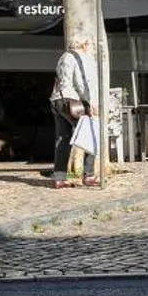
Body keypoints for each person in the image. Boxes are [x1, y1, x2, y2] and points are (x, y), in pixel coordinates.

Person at [48, 34, 99, 188]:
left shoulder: (63, 57)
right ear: (84, 44)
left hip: (57, 100)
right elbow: (83, 82)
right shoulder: (80, 57)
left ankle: (59, 177)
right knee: (91, 133)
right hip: (72, 102)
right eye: (88, 43)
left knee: (62, 139)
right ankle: (88, 175)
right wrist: (90, 103)